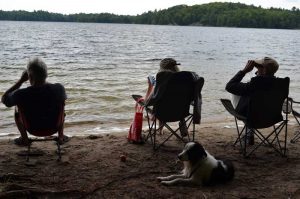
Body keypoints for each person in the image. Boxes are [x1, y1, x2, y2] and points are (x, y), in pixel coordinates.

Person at [1, 57, 68, 146]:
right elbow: (49, 88)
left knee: (17, 108)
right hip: (53, 127)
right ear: (46, 75)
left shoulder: (21, 94)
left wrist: (20, 81)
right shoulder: (59, 89)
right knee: (61, 108)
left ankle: (24, 139)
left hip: (32, 129)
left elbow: (4, 99)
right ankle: (61, 136)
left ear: (29, 77)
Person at [225, 57, 280, 145]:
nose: (256, 69)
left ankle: (249, 133)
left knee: (236, 92)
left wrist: (244, 71)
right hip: (272, 118)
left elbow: (229, 86)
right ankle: (249, 132)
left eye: (258, 67)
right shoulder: (279, 84)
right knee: (248, 96)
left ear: (264, 70)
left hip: (252, 119)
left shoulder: (254, 84)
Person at [143, 58, 188, 136]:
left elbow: (148, 102)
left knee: (160, 101)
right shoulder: (185, 80)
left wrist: (151, 87)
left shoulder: (162, 79)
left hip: (163, 113)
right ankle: (158, 126)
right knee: (167, 101)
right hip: (181, 114)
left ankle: (151, 85)